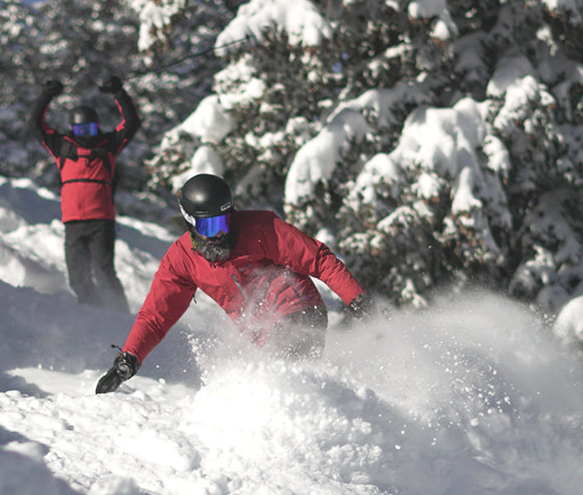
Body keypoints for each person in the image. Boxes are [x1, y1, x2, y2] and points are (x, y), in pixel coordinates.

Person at [96, 173, 373, 393]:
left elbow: (316, 257)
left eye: (224, 222)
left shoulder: (261, 228)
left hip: (298, 309)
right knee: (288, 386)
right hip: (262, 335)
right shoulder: (181, 260)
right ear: (190, 223)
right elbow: (157, 315)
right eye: (208, 227)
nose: (218, 234)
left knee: (288, 382)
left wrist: (355, 297)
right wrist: (130, 357)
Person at [31, 75, 139, 312]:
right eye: (81, 129)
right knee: (77, 277)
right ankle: (94, 314)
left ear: (97, 127)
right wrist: (47, 95)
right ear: (73, 128)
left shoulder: (108, 144)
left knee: (104, 272)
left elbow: (131, 124)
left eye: (91, 128)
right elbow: (36, 125)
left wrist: (119, 93)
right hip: (73, 223)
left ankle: (119, 315)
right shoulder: (62, 145)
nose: (87, 134)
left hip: (101, 222)